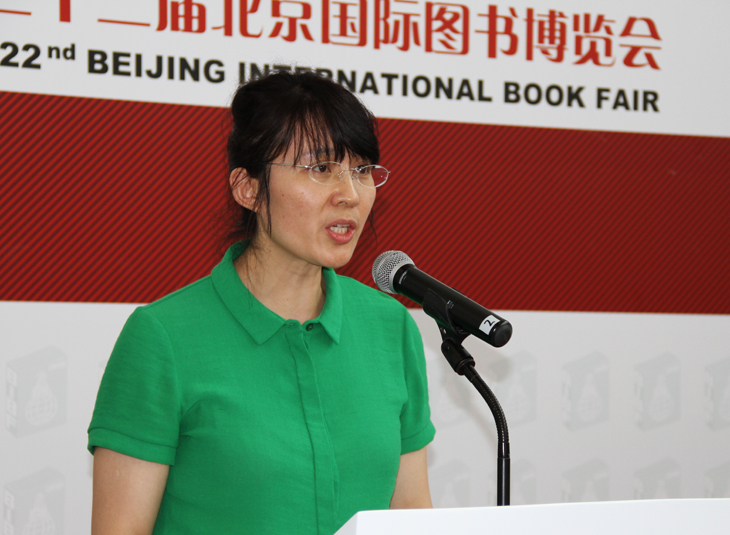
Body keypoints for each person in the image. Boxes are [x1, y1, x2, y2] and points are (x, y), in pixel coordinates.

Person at [88, 71, 435, 535]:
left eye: (361, 170)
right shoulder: (162, 338)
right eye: (321, 168)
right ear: (248, 189)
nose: (350, 195)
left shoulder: (390, 326)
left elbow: (411, 513)